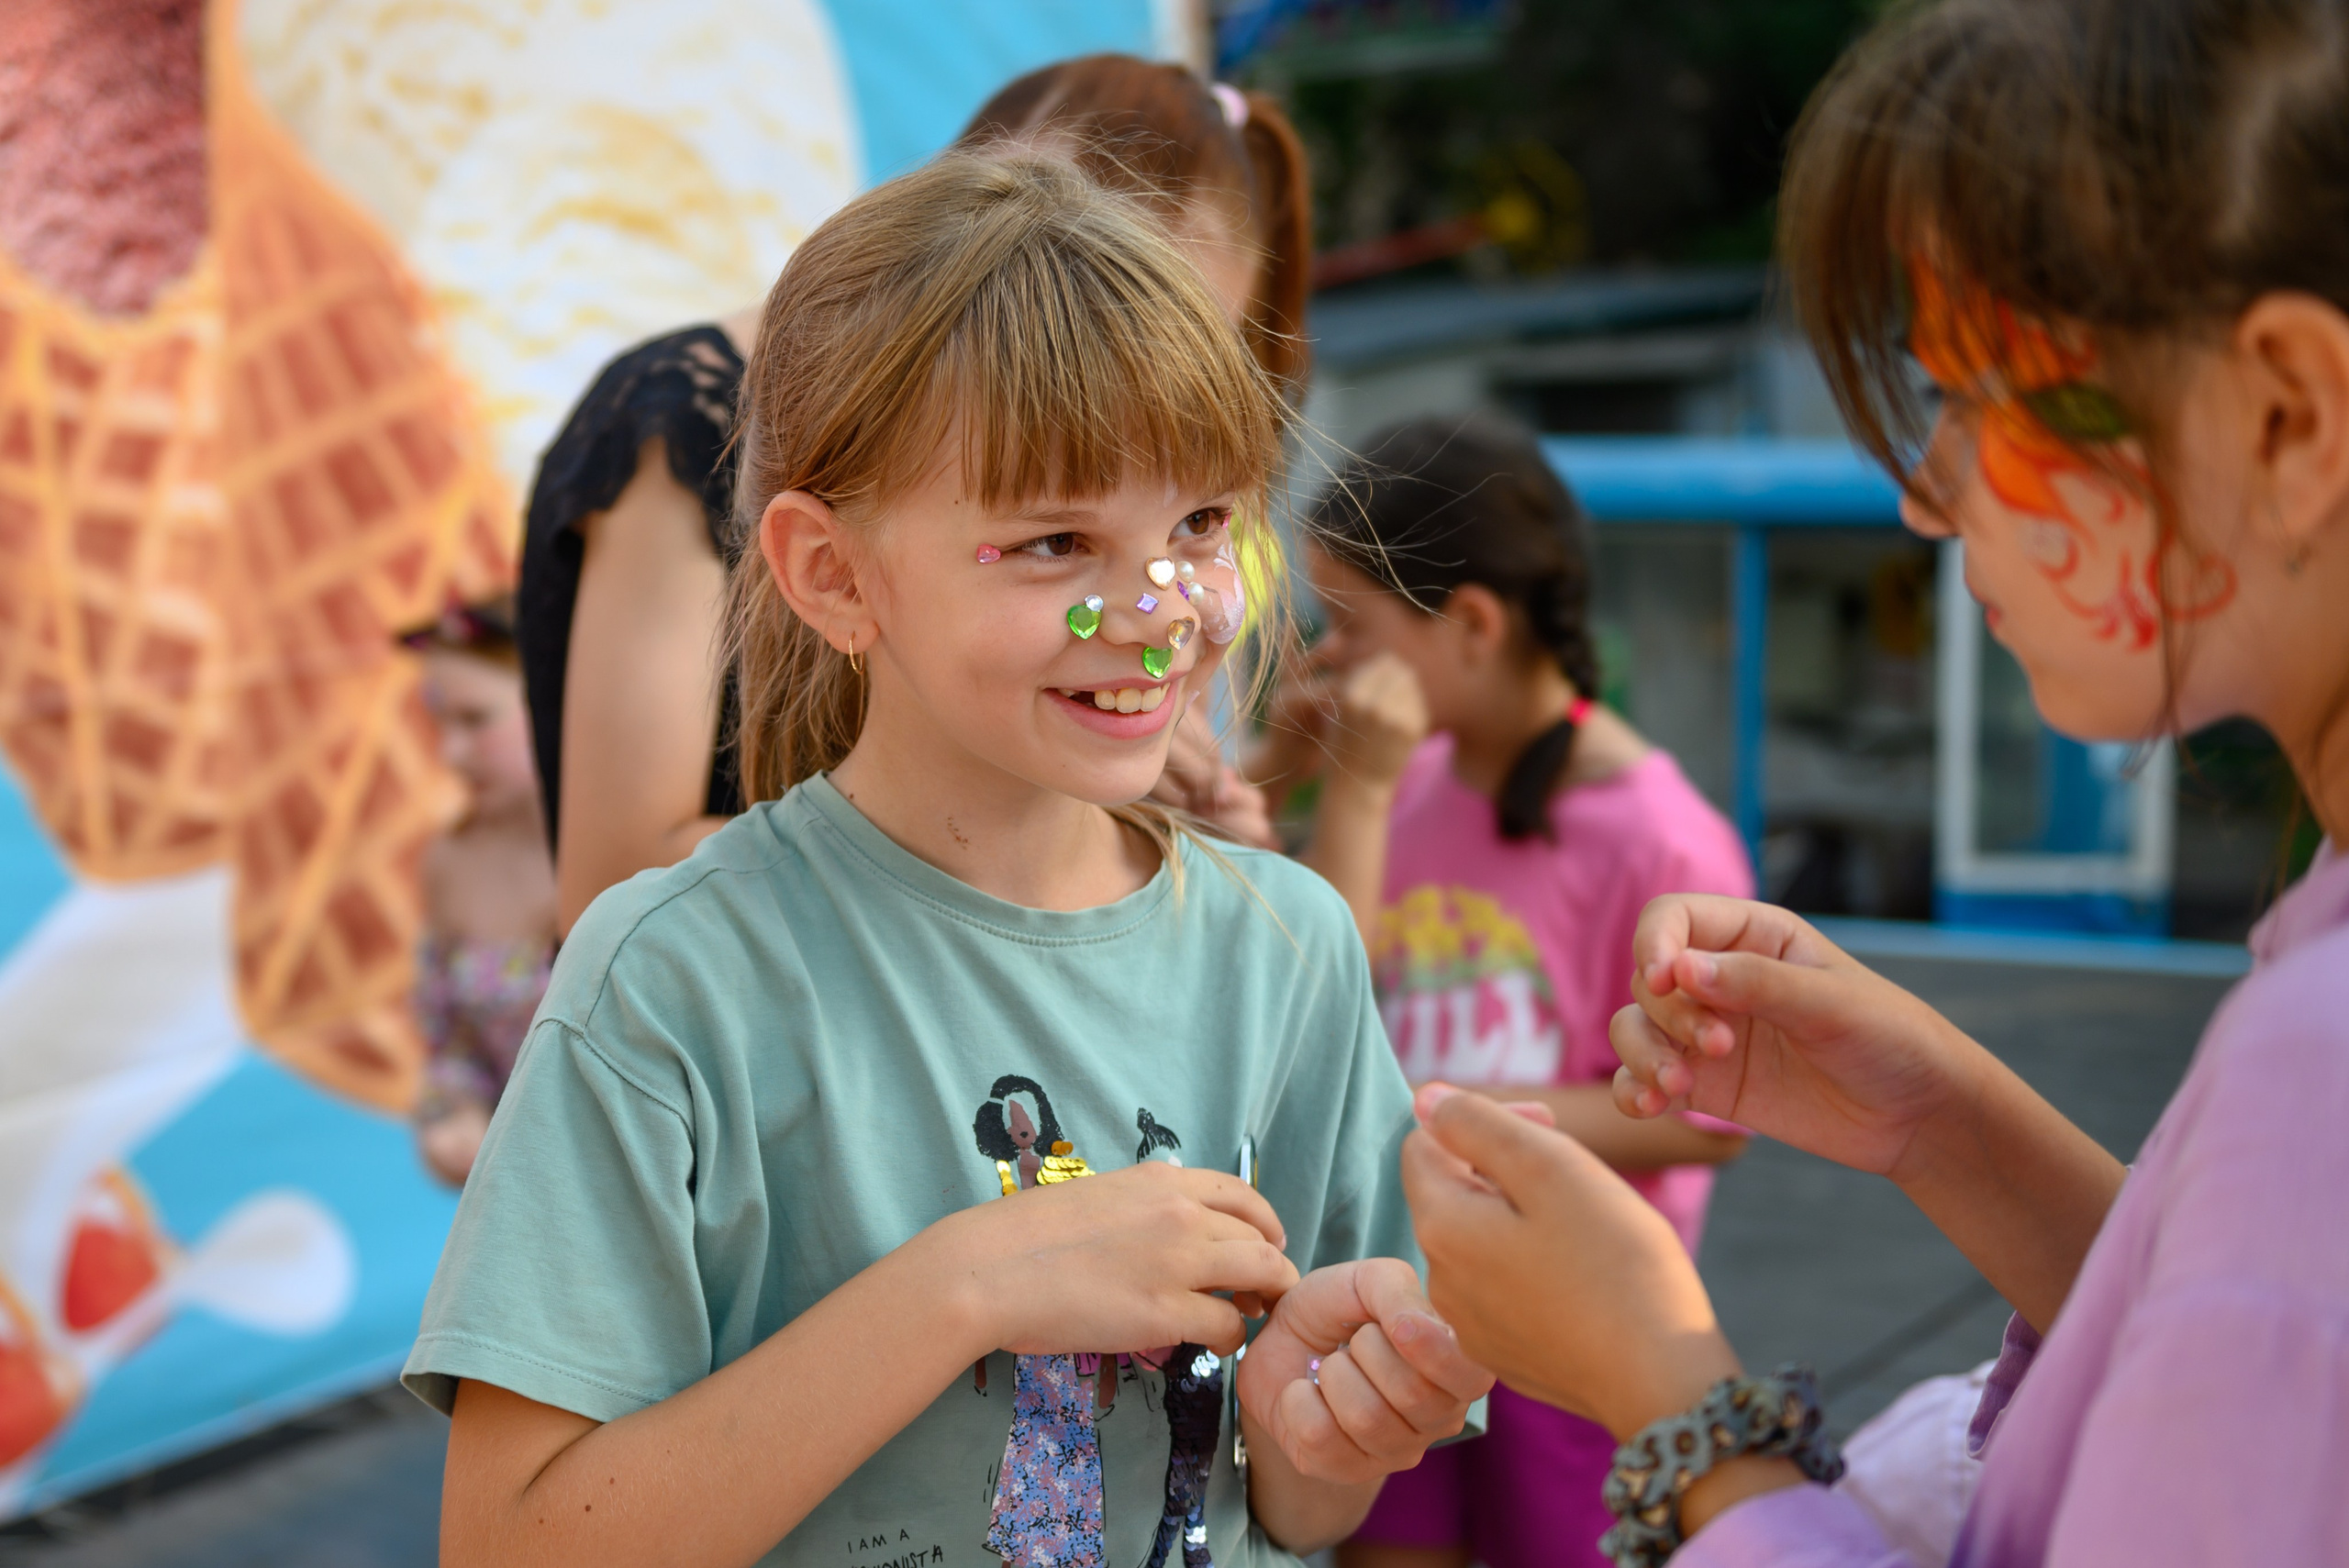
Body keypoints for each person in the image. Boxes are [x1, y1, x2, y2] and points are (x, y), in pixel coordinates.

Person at [406, 153, 1491, 1568]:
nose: (1166, 619)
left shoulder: (1287, 947)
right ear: (833, 574)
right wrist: (971, 1284)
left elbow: (1290, 1506)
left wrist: (1323, 1430)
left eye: (1202, 525)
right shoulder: (673, 977)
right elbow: (512, 1545)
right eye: (1055, 542)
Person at [1398, 0, 2349, 1563]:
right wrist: (1950, 1121)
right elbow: (2222, 1345)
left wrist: (1670, 1389)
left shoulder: (2320, 1065)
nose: (1924, 492)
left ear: (2287, 415)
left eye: (1981, 397)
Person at [519, 55, 1309, 931]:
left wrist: (1171, 847)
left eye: (1182, 344)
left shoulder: (1161, 558)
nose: (1129, 379)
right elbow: (613, 880)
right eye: (1076, 306)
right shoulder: (677, 418)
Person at [1253, 416, 1749, 1568]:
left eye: (1350, 624)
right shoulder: (1401, 780)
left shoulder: (1659, 836)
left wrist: (1434, 1106)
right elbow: (1302, 985)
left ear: (1471, 623)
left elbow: (1702, 1115)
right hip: (1398, 1284)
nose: (1325, 655)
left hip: (1568, 1314)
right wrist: (1306, 774)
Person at [401, 597, 557, 1186]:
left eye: (475, 719)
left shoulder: (644, 847)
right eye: (439, 722)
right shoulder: (449, 863)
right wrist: (455, 1120)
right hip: (534, 1209)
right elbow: (452, 1044)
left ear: (554, 695)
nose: (451, 752)